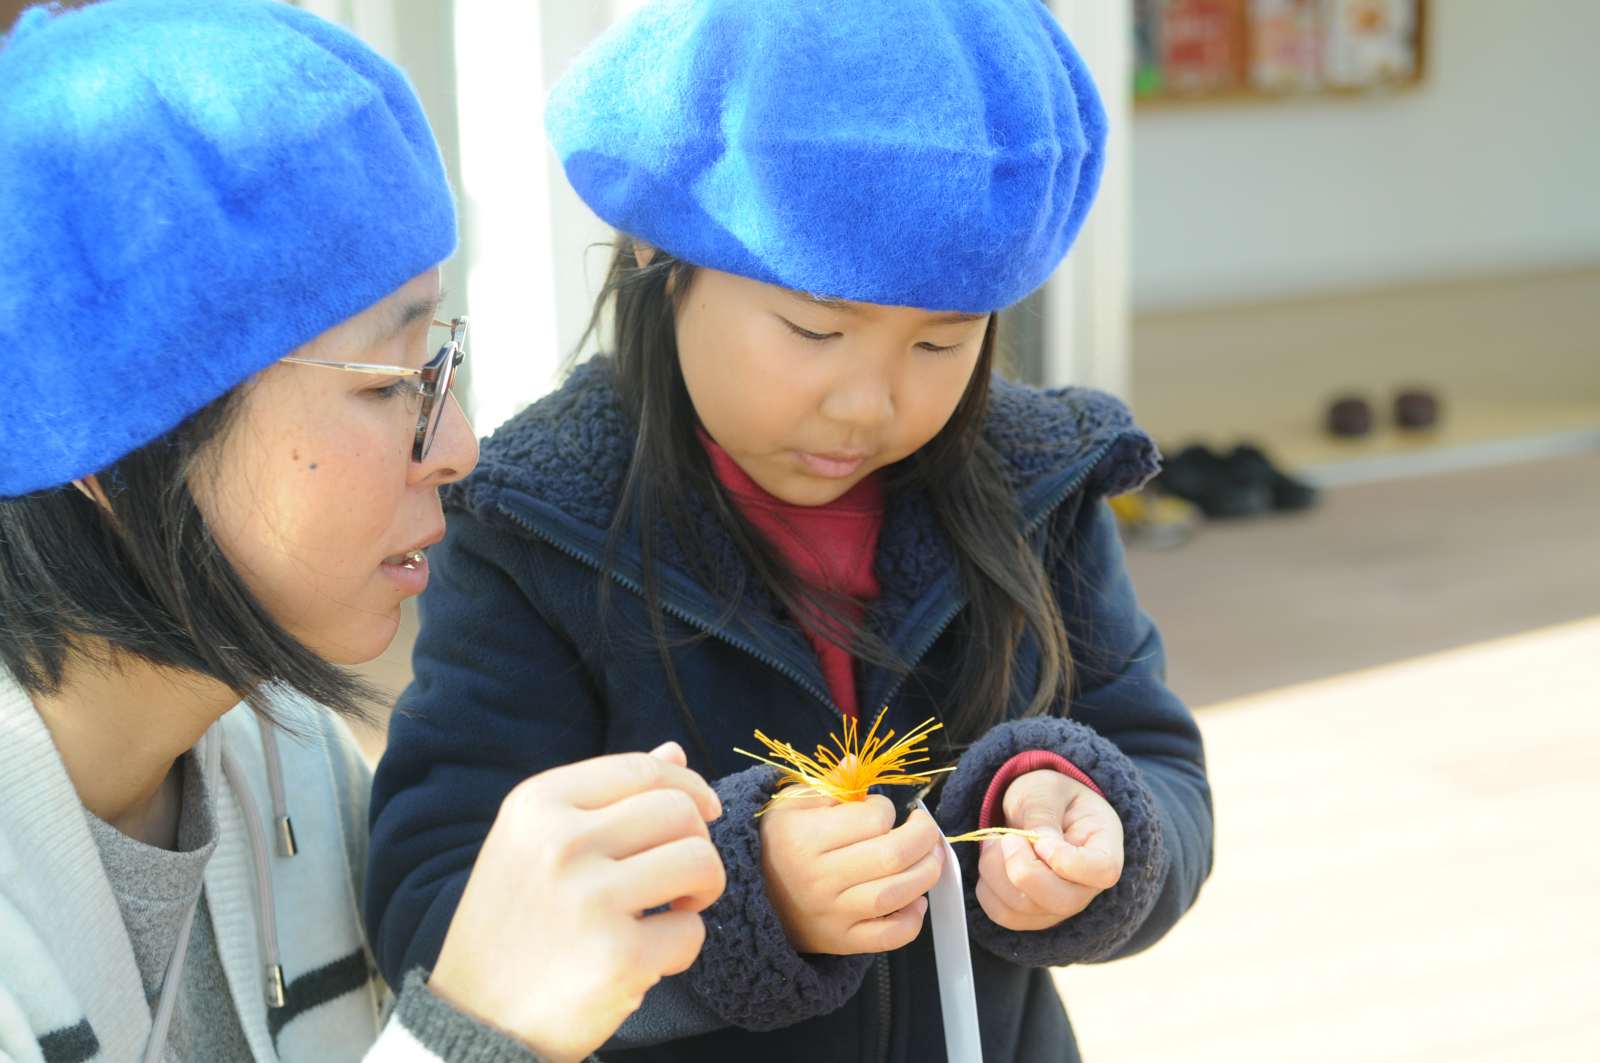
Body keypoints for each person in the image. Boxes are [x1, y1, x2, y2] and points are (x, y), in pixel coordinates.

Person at [367, 1, 1214, 1060]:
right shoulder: (535, 527)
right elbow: (436, 905)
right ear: (653, 246)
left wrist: (1095, 824)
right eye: (815, 329)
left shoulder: (1036, 485)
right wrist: (742, 896)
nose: (869, 404)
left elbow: (1159, 769)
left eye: (942, 343)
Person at [0, 3, 724, 1063]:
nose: (460, 445)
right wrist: (474, 1032)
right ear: (112, 443)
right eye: (392, 381)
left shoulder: (285, 746)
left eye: (442, 364)